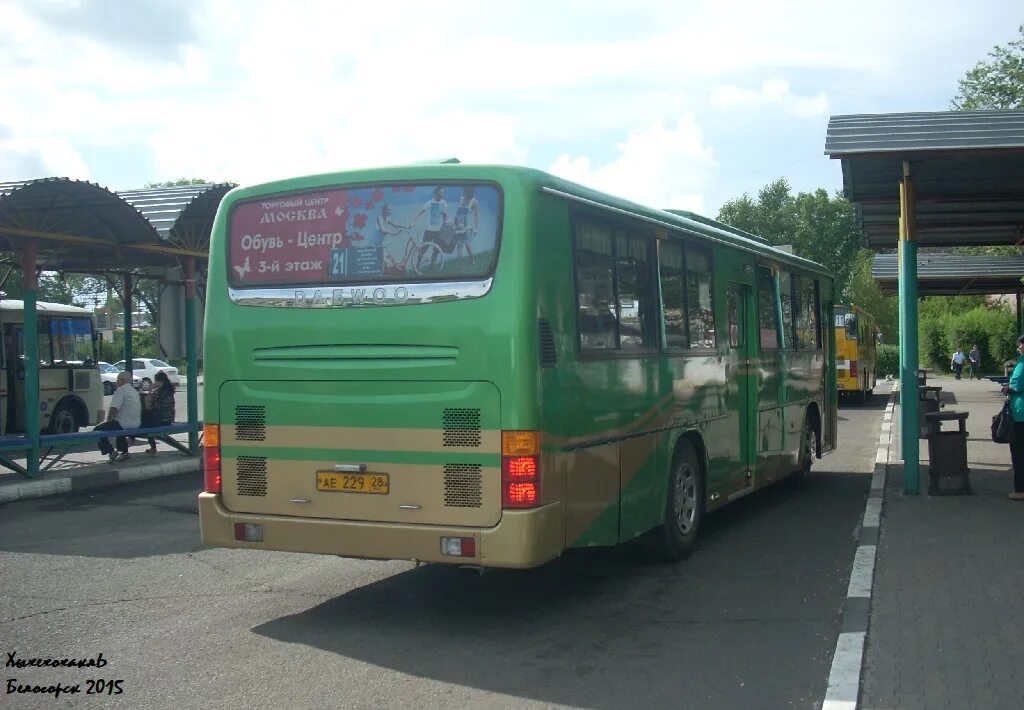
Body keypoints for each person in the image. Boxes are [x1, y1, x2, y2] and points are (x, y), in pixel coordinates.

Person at [95, 371, 141, 463]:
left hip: (123, 423)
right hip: (136, 423)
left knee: (97, 430)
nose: (116, 382)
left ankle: (110, 451)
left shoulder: (120, 390)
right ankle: (124, 452)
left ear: (122, 380)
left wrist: (109, 419)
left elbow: (114, 408)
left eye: (117, 379)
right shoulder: (134, 391)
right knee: (117, 426)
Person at [1001, 335, 1024, 501]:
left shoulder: (1022, 364)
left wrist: (1007, 388)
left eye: (1020, 346)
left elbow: (1016, 385)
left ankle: (1020, 490)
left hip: (1020, 412)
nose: (1018, 349)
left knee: (1019, 452)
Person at [141, 370, 176, 454]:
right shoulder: (160, 391)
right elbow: (149, 403)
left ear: (160, 381)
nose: (154, 383)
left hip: (164, 419)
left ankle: (152, 447)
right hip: (161, 417)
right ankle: (152, 447)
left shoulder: (164, 392)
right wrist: (150, 393)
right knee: (145, 418)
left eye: (155, 381)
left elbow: (154, 406)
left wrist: (150, 392)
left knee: (145, 420)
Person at [452, 186, 479, 265]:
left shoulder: (474, 202)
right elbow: (457, 213)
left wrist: (476, 228)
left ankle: (472, 258)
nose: (465, 191)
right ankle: (459, 262)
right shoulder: (461, 199)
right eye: (465, 190)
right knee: (459, 244)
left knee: (467, 245)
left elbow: (476, 215)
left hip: (468, 227)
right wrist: (454, 223)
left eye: (467, 190)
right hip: (459, 225)